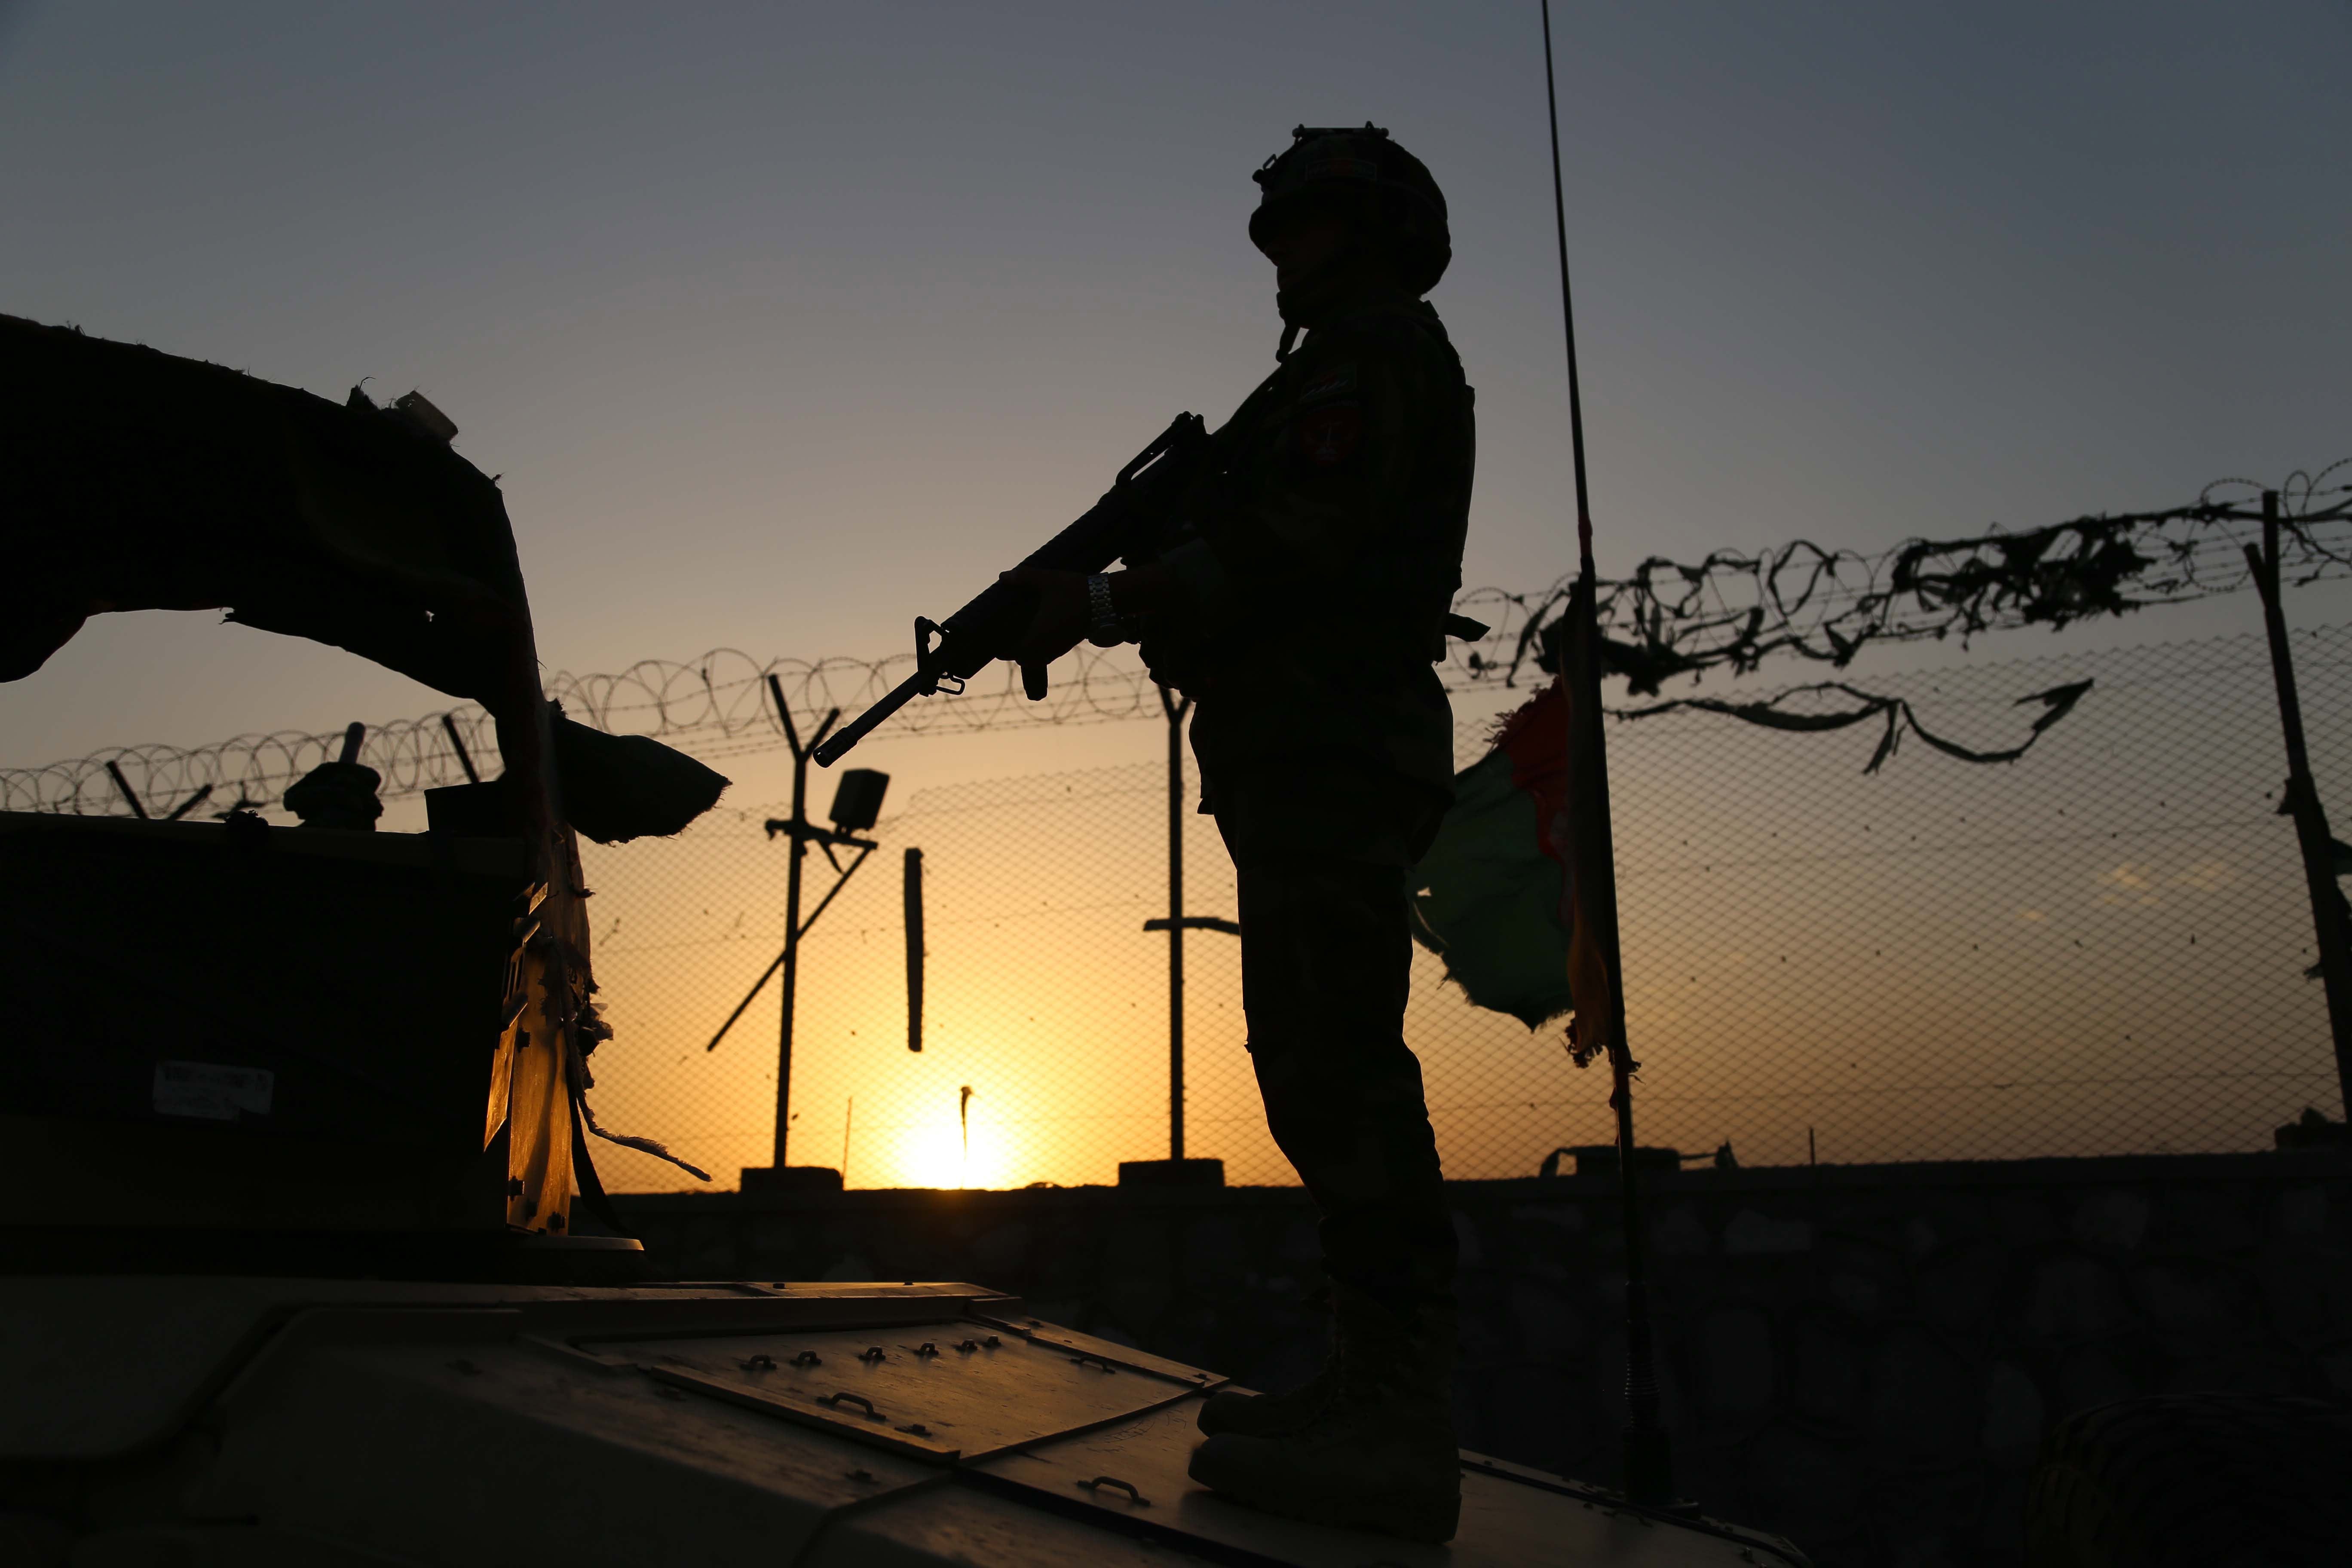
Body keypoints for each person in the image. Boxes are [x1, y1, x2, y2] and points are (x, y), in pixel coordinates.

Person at [1006, 123, 1474, 1543]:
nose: (1283, 255)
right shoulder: (1328, 370)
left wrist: (1100, 602)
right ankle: (1364, 1387)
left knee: (1339, 1070)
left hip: (1335, 748)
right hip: (1303, 750)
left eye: (1307, 227)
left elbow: (1300, 541)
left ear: (1371, 235)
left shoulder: (1368, 359)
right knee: (1314, 1065)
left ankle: (1396, 1422)